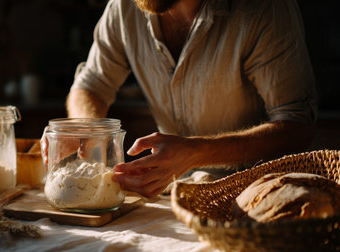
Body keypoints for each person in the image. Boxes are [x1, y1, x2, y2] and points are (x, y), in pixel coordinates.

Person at [42, 0, 316, 198]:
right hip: (174, 193)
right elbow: (91, 85)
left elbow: (296, 127)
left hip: (257, 192)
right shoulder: (123, 7)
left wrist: (197, 152)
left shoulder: (263, 9)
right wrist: (87, 130)